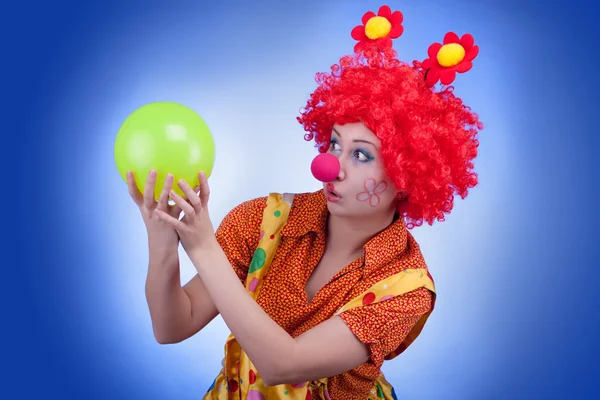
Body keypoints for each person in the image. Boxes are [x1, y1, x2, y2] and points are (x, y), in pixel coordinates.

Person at [127, 5, 483, 399]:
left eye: (360, 154)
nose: (329, 167)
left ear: (405, 177)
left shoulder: (406, 288)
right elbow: (172, 327)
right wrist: (163, 237)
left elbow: (284, 365)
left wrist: (202, 245)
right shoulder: (264, 220)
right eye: (334, 145)